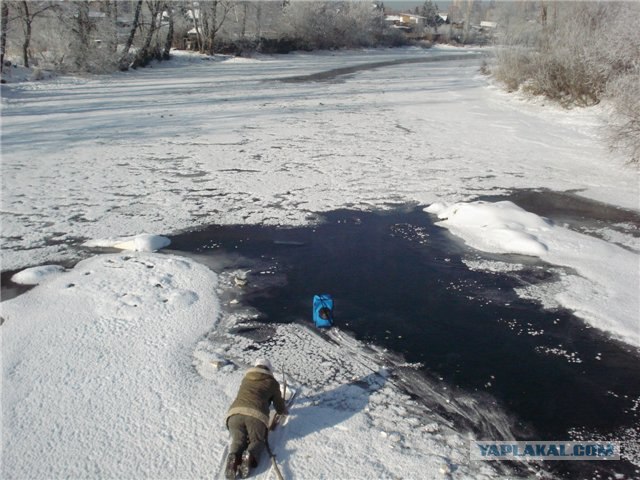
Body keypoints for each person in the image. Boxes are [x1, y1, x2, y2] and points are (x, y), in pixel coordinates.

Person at [225, 358, 287, 479]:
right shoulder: (272, 382)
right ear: (269, 369)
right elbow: (278, 405)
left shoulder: (246, 379)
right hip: (256, 416)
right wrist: (282, 410)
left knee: (238, 439)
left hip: (234, 414)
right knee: (257, 440)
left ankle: (234, 457)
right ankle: (250, 455)